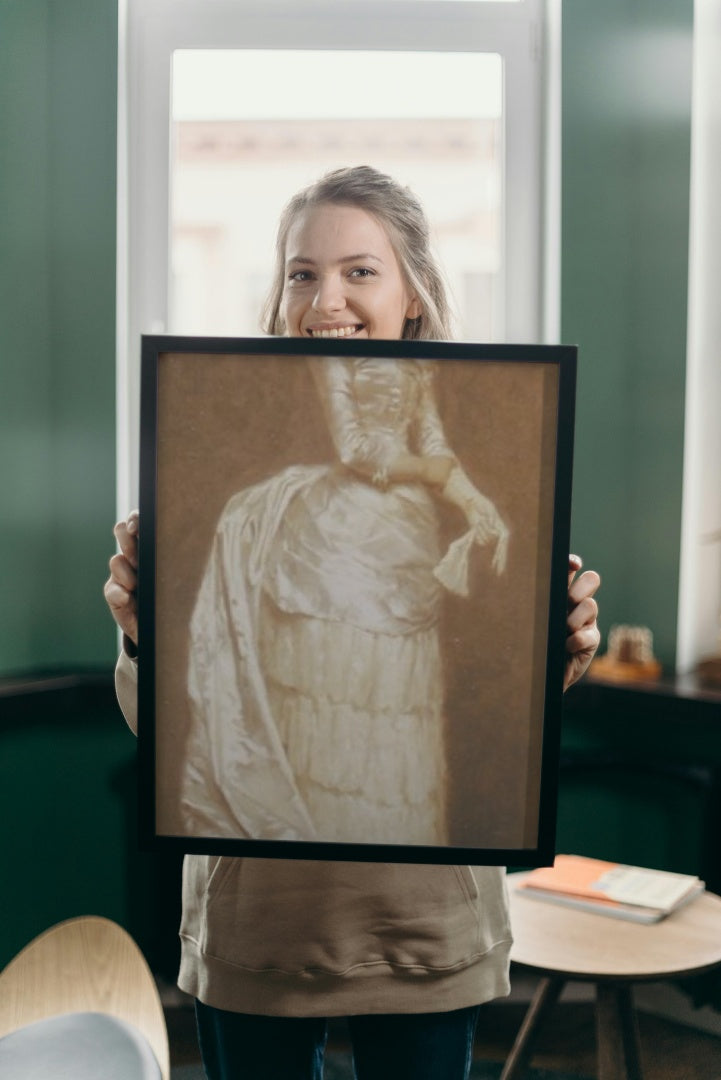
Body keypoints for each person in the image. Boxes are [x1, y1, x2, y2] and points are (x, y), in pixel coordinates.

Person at [105, 166, 601, 1080]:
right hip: (258, 921)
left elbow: (503, 701)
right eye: (301, 272)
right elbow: (182, 728)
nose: (325, 298)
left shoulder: (498, 419)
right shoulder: (215, 449)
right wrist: (144, 634)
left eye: (359, 271)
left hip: (421, 920)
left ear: (413, 291)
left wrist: (554, 650)